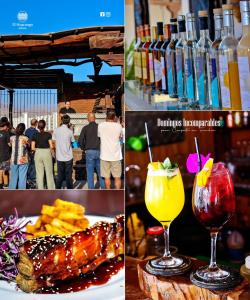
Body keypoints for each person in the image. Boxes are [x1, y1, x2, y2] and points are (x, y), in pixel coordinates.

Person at [79, 113, 105, 189]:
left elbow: (80, 141)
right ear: (95, 118)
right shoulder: (100, 127)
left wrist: (84, 149)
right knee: (101, 172)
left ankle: (91, 191)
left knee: (90, 173)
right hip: (99, 151)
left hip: (89, 151)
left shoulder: (85, 128)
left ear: (88, 119)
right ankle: (104, 190)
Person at [98, 110, 123, 189]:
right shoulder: (118, 126)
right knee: (117, 177)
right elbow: (121, 138)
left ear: (106, 116)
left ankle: (108, 192)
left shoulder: (101, 125)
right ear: (114, 117)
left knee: (107, 177)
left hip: (104, 155)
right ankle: (117, 194)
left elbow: (99, 136)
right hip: (116, 155)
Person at [53, 114, 75, 189]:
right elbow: (74, 144)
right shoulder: (70, 131)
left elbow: (54, 142)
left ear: (62, 120)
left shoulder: (56, 130)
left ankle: (58, 189)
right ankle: (70, 191)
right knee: (68, 176)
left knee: (60, 175)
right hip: (69, 156)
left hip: (59, 156)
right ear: (69, 122)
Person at [32, 120, 55, 189]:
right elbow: (51, 146)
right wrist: (53, 153)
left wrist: (38, 150)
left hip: (38, 152)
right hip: (47, 152)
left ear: (38, 126)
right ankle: (51, 190)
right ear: (44, 126)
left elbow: (32, 148)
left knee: (39, 174)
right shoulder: (48, 134)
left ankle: (40, 190)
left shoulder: (34, 135)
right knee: (49, 173)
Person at [9, 123, 29, 189]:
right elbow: (29, 147)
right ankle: (22, 192)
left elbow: (10, 146)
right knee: (22, 178)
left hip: (14, 159)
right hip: (23, 159)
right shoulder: (26, 138)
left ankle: (11, 191)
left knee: (13, 177)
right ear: (23, 130)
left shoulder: (12, 138)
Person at [25, 119, 38, 185]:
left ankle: (28, 178)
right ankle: (33, 179)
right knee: (33, 164)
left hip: (27, 149)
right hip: (34, 149)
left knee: (28, 164)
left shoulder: (27, 130)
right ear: (36, 123)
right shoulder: (36, 131)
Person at [0, 120, 11, 189]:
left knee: (0, 171)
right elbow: (9, 144)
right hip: (5, 155)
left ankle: (0, 185)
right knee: (5, 171)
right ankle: (6, 185)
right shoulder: (6, 133)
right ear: (5, 126)